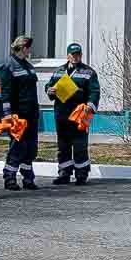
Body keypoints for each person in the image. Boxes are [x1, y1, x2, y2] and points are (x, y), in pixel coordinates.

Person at [50, 42, 101, 185]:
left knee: (80, 146)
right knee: (63, 146)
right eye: (73, 54)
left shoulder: (89, 72)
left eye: (78, 54)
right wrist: (50, 90)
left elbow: (94, 92)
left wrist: (90, 106)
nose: (76, 57)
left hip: (80, 115)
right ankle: (64, 173)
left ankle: (81, 174)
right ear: (68, 56)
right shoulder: (59, 71)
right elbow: (50, 86)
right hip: (61, 114)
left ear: (81, 55)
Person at [0, 34, 42, 191]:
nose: (30, 51)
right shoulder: (9, 65)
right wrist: (8, 114)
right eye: (28, 48)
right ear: (23, 48)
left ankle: (28, 178)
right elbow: (5, 92)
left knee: (30, 147)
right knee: (17, 146)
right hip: (17, 114)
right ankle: (9, 177)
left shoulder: (27, 65)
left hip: (31, 112)